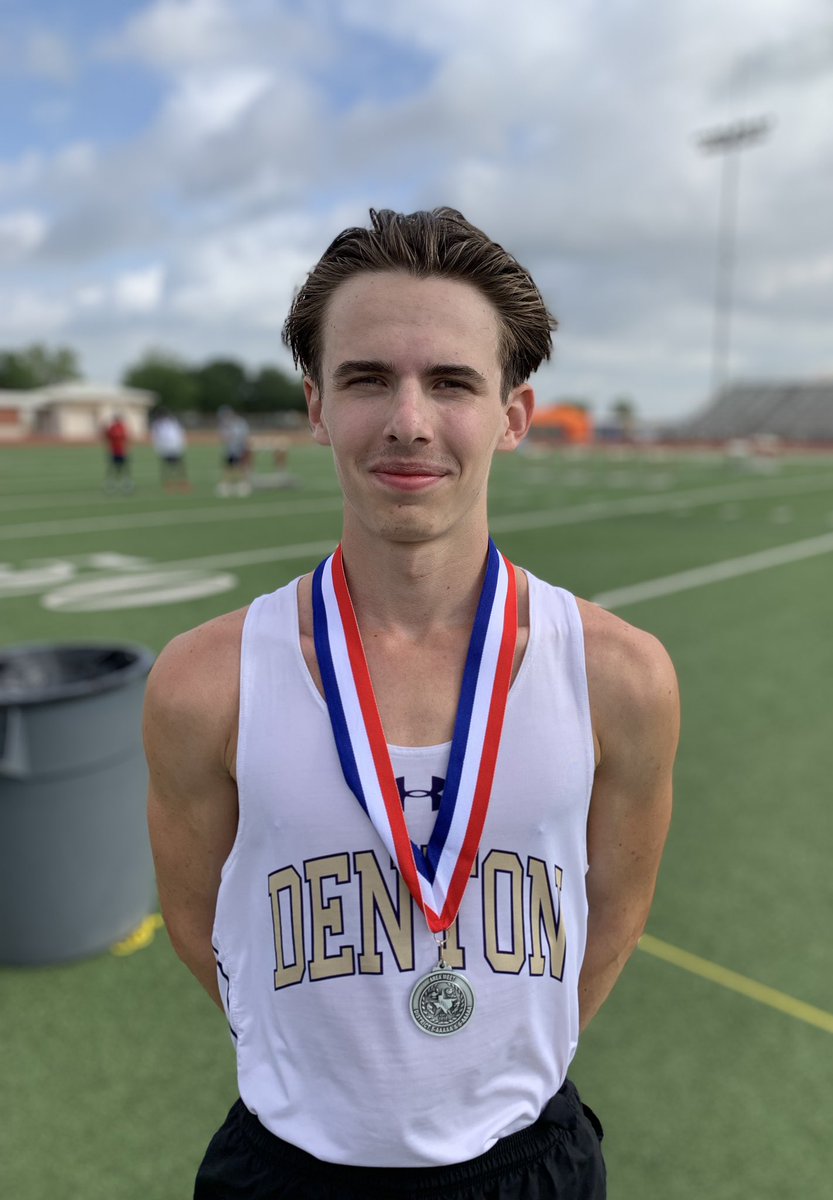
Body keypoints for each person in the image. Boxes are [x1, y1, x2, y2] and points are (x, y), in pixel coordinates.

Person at [144, 208, 680, 1199]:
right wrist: (324, 1076)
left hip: (525, 1160)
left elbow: (616, 910)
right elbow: (196, 919)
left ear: (512, 416)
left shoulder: (620, 674)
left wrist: (494, 1067)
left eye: (450, 381)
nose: (407, 419)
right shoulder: (203, 679)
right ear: (313, 407)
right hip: (286, 1166)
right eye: (365, 378)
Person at [150, 408, 190, 491]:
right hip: (166, 448)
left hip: (175, 447)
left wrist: (182, 444)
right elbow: (157, 436)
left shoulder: (173, 423)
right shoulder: (159, 424)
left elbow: (180, 434)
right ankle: (169, 484)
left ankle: (182, 483)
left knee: (179, 466)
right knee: (167, 467)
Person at [216, 405, 251, 496]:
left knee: (241, 466)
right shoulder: (224, 424)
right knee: (229, 466)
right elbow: (223, 436)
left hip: (239, 448)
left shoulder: (240, 423)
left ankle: (244, 484)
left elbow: (243, 435)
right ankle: (228, 484)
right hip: (230, 449)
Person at [102, 413, 133, 493]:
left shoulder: (122, 427)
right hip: (114, 451)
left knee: (125, 469)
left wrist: (128, 449)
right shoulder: (111, 428)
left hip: (122, 451)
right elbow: (107, 437)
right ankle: (111, 484)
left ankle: (127, 484)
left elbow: (126, 439)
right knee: (112, 469)